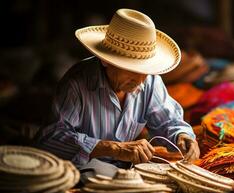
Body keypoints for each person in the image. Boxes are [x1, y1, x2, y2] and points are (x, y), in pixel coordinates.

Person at [35, 8, 200, 168]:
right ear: (106, 60)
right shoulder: (77, 83)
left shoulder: (150, 80)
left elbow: (169, 121)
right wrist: (111, 148)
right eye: (133, 70)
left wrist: (182, 135)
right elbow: (50, 137)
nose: (141, 80)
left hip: (124, 173)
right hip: (77, 174)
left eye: (146, 71)